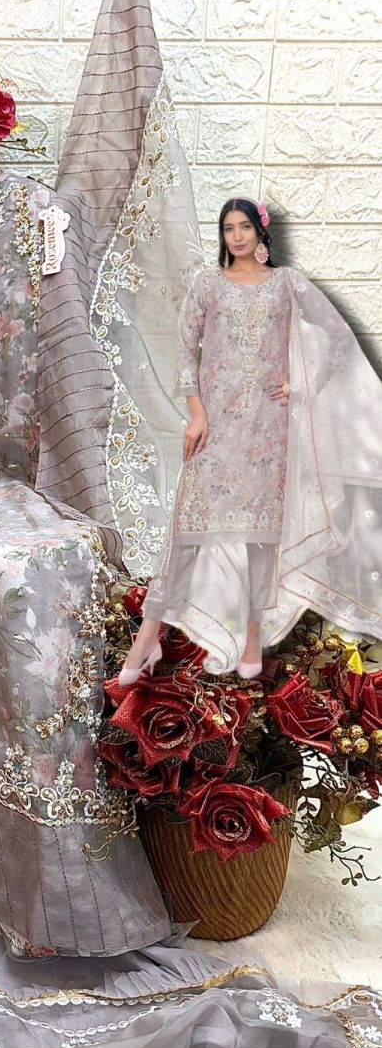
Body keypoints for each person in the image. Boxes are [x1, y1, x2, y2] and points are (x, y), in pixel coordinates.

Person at [120, 196, 382, 683]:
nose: (236, 236)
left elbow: (337, 338)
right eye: (228, 228)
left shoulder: (286, 284)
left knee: (262, 540)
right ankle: (148, 636)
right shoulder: (207, 284)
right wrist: (196, 412)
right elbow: (186, 352)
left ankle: (253, 639)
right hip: (215, 427)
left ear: (261, 233)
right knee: (187, 532)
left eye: (244, 227)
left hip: (268, 430)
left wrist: (302, 387)